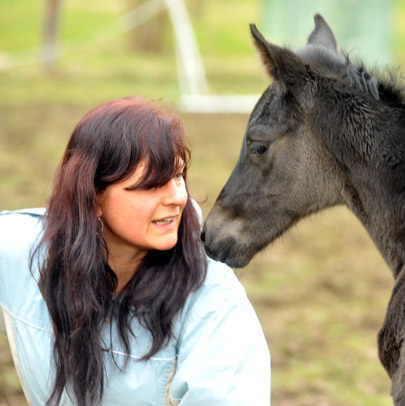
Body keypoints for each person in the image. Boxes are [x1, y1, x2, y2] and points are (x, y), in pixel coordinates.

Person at [0, 97, 270, 405]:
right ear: (93, 198)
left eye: (178, 176)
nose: (177, 197)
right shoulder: (28, 253)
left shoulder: (214, 302)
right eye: (152, 185)